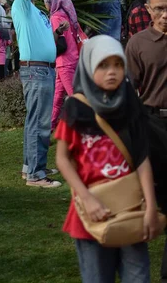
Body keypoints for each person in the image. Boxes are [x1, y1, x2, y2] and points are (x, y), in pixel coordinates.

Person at [55, 36, 159, 283]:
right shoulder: (76, 107)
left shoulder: (130, 103)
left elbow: (142, 157)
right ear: (89, 66)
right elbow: (62, 159)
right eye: (103, 65)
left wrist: (151, 207)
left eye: (117, 64)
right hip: (91, 214)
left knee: (138, 276)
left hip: (130, 208)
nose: (112, 72)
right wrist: (86, 198)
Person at [11, 0, 61, 188]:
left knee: (36, 121)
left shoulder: (35, 11)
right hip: (37, 71)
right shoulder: (20, 4)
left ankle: (31, 167)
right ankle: (37, 176)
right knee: (39, 122)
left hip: (44, 70)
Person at [126, 0, 167, 280]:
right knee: (152, 196)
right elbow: (128, 92)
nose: (165, 14)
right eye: (159, 9)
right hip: (152, 124)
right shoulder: (138, 44)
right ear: (149, 10)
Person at [42, 0, 80, 131]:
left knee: (73, 97)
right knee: (57, 97)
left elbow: (56, 42)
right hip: (70, 59)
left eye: (46, 1)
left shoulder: (55, 17)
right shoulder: (68, 15)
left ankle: (82, 129)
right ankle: (50, 126)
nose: (45, 4)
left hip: (64, 63)